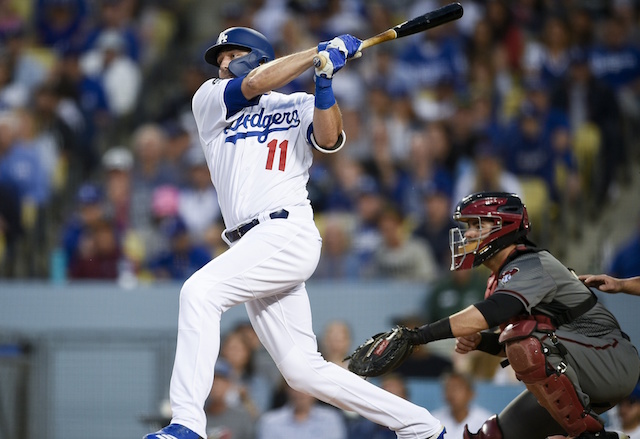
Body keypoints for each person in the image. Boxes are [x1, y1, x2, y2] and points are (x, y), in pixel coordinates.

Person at [144, 27, 444, 439]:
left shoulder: (296, 103)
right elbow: (251, 84)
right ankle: (422, 427)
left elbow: (328, 137)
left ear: (259, 55)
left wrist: (323, 82)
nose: (222, 64)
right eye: (220, 59)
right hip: (251, 243)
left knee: (199, 293)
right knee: (304, 371)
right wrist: (315, 53)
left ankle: (187, 424)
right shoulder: (210, 99)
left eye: (231, 54)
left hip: (286, 230)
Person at [358, 191, 639, 439]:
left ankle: (591, 437)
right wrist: (481, 342)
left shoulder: (531, 263)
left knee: (525, 344)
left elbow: (502, 320)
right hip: (584, 367)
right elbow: (515, 343)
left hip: (612, 359)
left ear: (503, 226)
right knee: (493, 435)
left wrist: (418, 335)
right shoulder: (500, 277)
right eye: (467, 226)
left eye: (475, 225)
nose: (467, 234)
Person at [256, 383, 347, 439]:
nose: (300, 394)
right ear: (287, 389)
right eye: (296, 388)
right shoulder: (270, 422)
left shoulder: (331, 419)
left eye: (306, 389)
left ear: (315, 391)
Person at [432, 372, 492, 439]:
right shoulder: (434, 420)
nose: (452, 393)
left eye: (457, 388)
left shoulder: (485, 422)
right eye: (448, 388)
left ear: (470, 393)